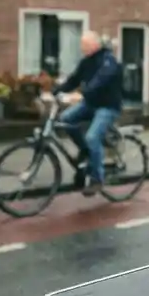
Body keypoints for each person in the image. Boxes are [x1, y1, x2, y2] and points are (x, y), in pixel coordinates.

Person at [53, 31, 123, 196]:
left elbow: (100, 80)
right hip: (90, 103)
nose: (82, 48)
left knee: (93, 137)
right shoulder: (86, 62)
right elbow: (74, 79)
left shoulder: (108, 60)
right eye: (81, 45)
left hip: (107, 107)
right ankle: (86, 151)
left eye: (85, 45)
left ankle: (97, 179)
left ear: (95, 45)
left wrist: (82, 93)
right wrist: (56, 91)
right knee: (65, 120)